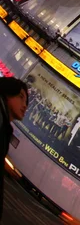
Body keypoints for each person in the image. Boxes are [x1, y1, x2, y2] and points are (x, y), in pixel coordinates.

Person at [0, 77, 29, 219]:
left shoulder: (4, 124)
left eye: (26, 101)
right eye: (20, 97)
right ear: (7, 92)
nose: (25, 106)